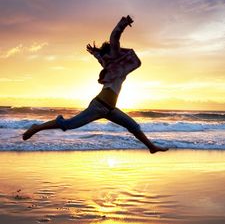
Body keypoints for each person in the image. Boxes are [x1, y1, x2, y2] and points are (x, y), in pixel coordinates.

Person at [22, 15, 168, 153]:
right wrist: (123, 24)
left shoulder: (111, 65)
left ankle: (151, 147)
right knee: (68, 125)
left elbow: (100, 56)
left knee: (133, 126)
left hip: (110, 109)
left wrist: (94, 52)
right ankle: (36, 128)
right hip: (99, 106)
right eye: (113, 51)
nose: (117, 51)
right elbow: (114, 37)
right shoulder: (113, 59)